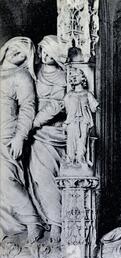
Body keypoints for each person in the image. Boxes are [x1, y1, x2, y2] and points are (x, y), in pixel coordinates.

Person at [0, 37, 42, 243]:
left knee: (7, 180)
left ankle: (32, 221)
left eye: (24, 51)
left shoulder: (22, 76)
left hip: (7, 135)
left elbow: (27, 108)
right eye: (15, 47)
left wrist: (19, 137)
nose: (17, 52)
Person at [27, 35, 66, 243]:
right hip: (37, 136)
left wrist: (34, 122)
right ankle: (50, 220)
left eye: (50, 52)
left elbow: (58, 105)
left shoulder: (63, 76)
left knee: (52, 178)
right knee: (40, 178)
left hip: (54, 132)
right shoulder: (36, 73)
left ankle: (59, 223)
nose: (45, 56)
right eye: (42, 51)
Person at [63, 67, 99, 164]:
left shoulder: (87, 94)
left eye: (76, 76)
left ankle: (80, 160)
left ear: (82, 77)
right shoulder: (69, 95)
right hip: (72, 122)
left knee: (82, 142)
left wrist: (97, 106)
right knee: (71, 142)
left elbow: (94, 107)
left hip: (84, 121)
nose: (73, 78)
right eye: (72, 76)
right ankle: (70, 160)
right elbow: (67, 109)